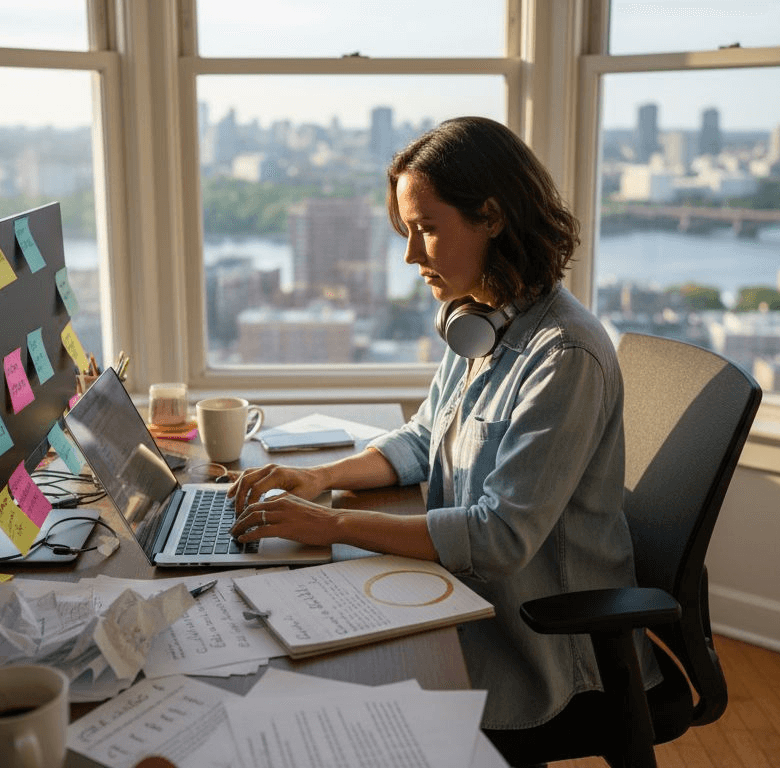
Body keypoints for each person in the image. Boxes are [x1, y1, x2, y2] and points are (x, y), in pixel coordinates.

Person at [228, 116, 657, 763]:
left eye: (426, 229)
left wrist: (333, 523)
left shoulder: (563, 355)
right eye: (407, 232)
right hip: (465, 600)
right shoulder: (479, 318)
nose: (411, 256)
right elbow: (426, 437)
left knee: (329, 702)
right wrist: (323, 479)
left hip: (537, 647)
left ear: (492, 216)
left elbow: (499, 537)